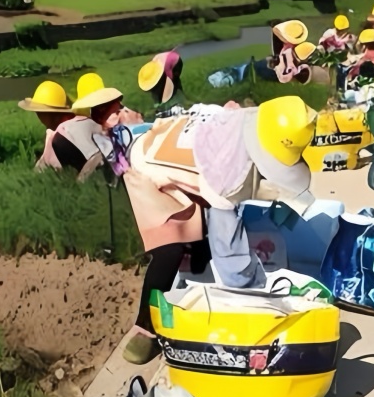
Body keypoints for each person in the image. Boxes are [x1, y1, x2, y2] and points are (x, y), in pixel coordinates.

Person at [31, 83, 318, 364]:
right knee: (170, 246)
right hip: (143, 170)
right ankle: (146, 329)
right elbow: (230, 251)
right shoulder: (225, 172)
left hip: (164, 153)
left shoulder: (239, 120)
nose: (122, 112)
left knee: (200, 226)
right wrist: (256, 299)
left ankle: (196, 273)